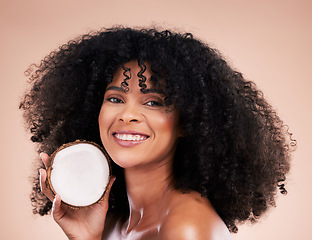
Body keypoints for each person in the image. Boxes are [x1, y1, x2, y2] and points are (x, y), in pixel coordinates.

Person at [20, 27, 295, 240]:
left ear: (187, 122)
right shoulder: (116, 220)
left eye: (153, 102)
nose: (127, 115)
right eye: (115, 99)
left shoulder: (185, 227)